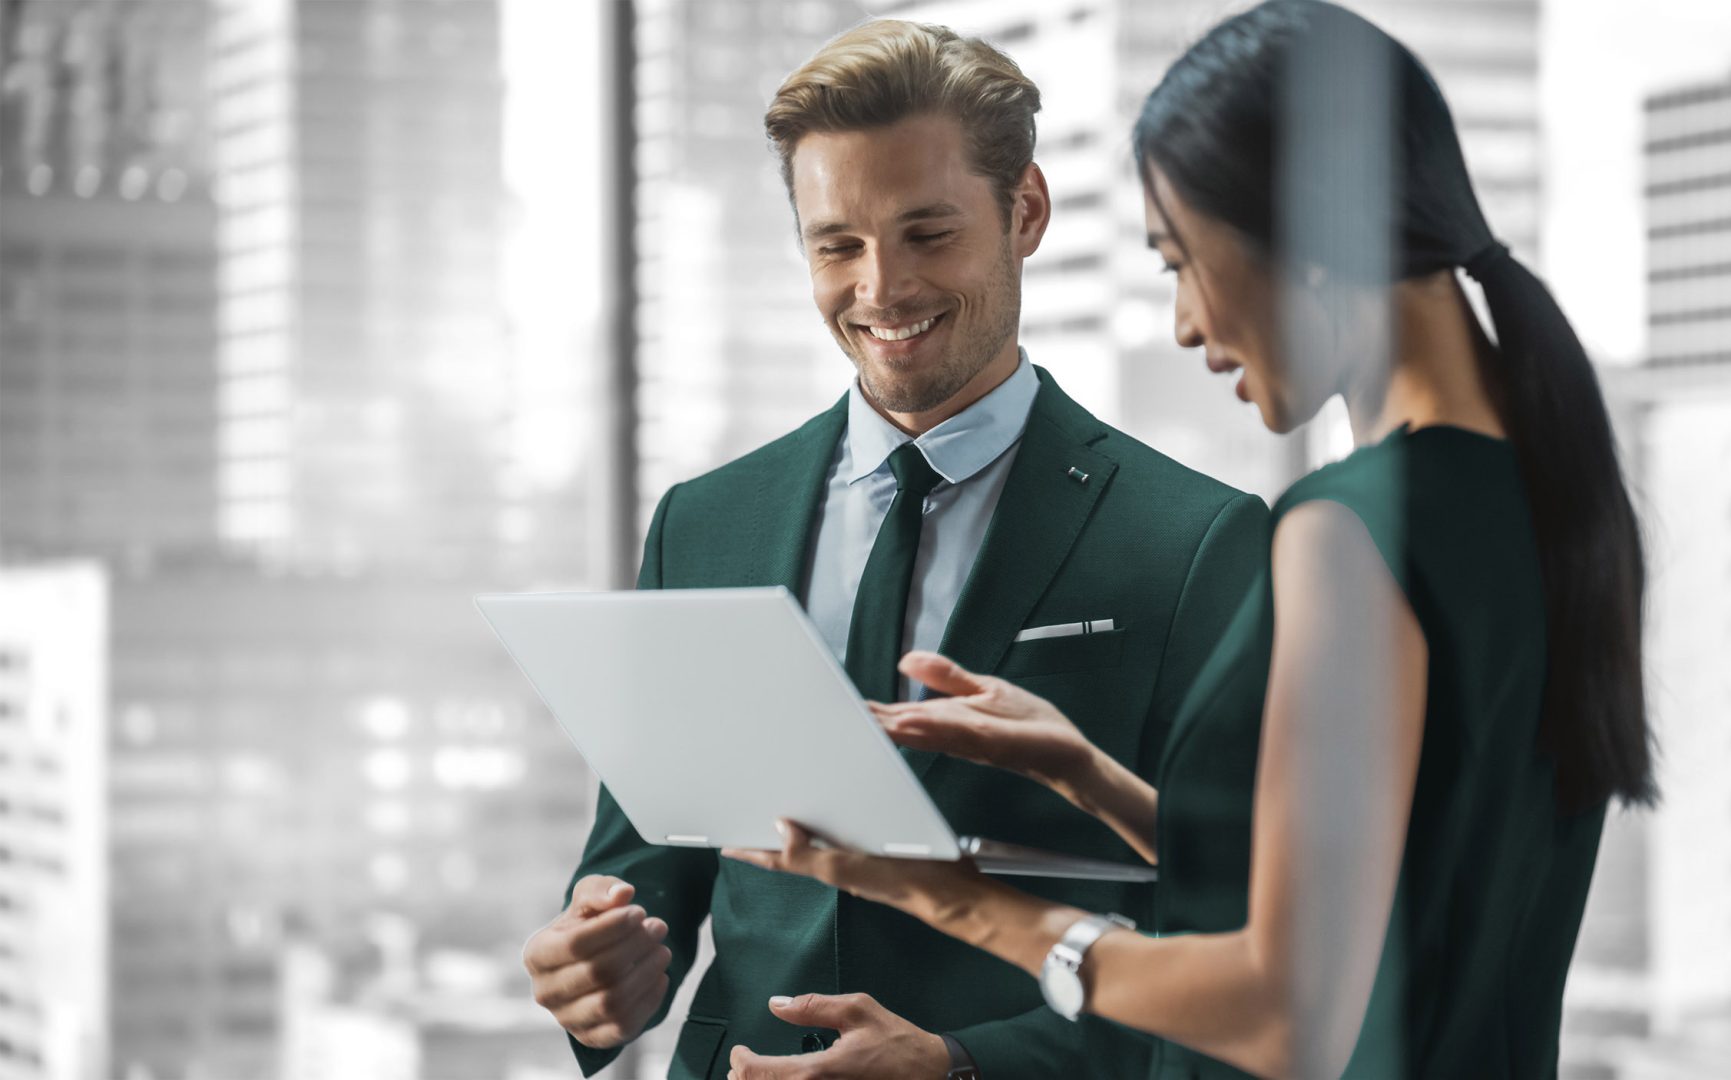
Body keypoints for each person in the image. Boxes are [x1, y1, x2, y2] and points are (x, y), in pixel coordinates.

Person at [723, 3, 1658, 1078]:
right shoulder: (1541, 486)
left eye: (1182, 259)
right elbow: (1386, 889)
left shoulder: (1349, 530)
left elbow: (1284, 1008)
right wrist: (1087, 777)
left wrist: (945, 897)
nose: (1183, 321)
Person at [521, 19, 1270, 1080]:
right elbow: (645, 871)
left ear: (1027, 213)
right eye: (838, 245)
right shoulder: (705, 522)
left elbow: (1239, 946)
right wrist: (597, 966)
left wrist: (965, 1065)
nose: (880, 289)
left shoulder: (1198, 542)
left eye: (928, 234)